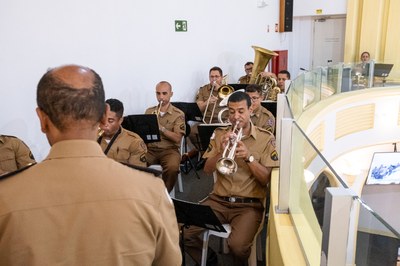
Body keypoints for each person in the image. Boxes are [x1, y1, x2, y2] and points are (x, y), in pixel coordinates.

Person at [0, 65, 181, 265]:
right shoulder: (151, 190)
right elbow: (170, 262)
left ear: (42, 119)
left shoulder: (5, 195)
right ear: (104, 115)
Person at [184, 91, 279, 265]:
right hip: (218, 201)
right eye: (231, 111)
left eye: (241, 111)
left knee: (237, 246)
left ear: (251, 110)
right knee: (182, 232)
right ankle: (212, 260)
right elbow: (206, 169)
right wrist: (221, 151)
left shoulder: (266, 138)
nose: (236, 117)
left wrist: (249, 158)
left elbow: (266, 179)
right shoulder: (220, 134)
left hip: (248, 206)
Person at [145, 81, 185, 193]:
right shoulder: (149, 112)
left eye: (164, 93)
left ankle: (165, 195)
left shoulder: (178, 114)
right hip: (150, 149)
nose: (161, 97)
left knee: (172, 168)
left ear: (171, 94)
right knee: (134, 163)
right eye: (158, 93)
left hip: (169, 150)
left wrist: (161, 128)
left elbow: (177, 138)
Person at [98, 98, 147, 167]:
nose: (105, 124)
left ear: (121, 120)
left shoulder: (134, 142)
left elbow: (137, 173)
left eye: (110, 121)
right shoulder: (91, 137)